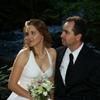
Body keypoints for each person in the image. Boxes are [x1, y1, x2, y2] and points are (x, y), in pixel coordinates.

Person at [7, 19, 56, 100]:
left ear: (42, 33)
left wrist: (51, 97)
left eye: (33, 33)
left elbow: (51, 81)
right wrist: (34, 97)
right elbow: (11, 85)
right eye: (27, 34)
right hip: (23, 96)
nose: (29, 37)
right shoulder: (24, 55)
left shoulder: (52, 53)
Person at [54, 16, 100, 100]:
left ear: (78, 37)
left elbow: (96, 93)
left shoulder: (95, 59)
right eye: (62, 31)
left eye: (66, 32)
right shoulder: (56, 53)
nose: (61, 35)